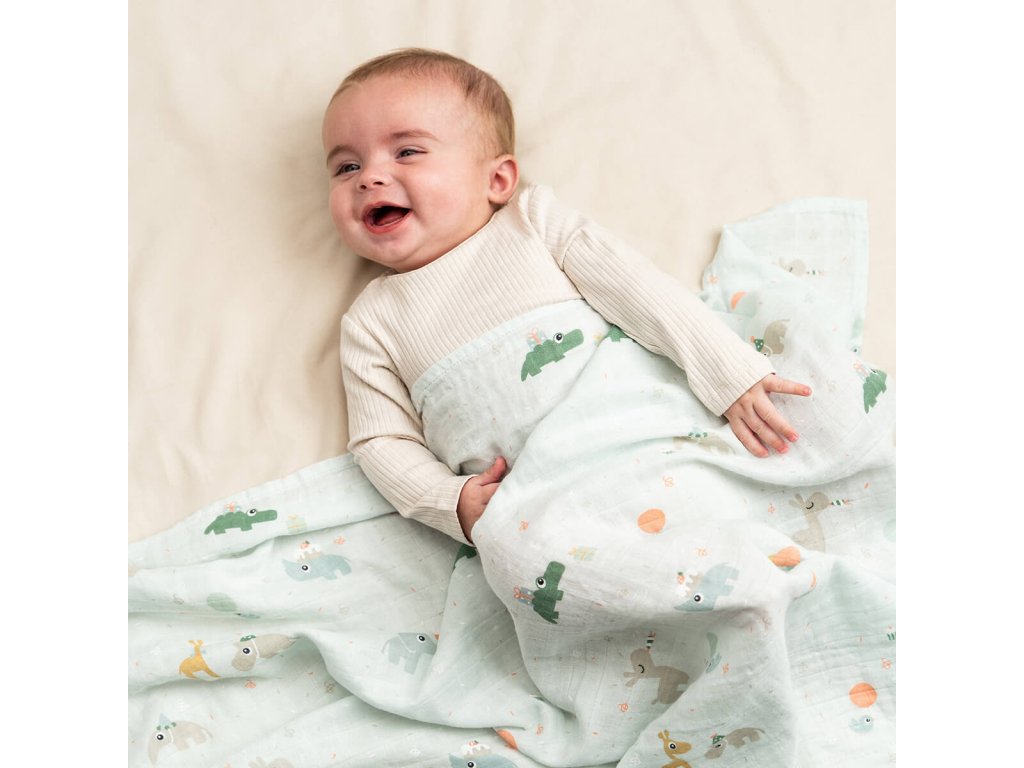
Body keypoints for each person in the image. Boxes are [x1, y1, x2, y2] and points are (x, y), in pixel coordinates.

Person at [323, 48, 810, 545]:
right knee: (529, 568)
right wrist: (449, 501)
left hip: (643, 440)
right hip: (540, 513)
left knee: (723, 517)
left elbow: (637, 288)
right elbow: (381, 440)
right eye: (346, 166)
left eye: (407, 152)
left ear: (497, 180)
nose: (368, 178)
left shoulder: (533, 224)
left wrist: (726, 373)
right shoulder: (370, 322)